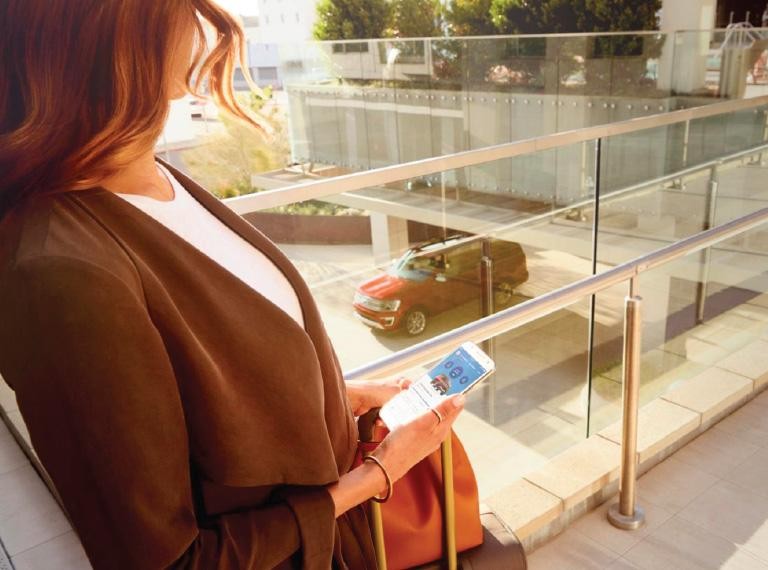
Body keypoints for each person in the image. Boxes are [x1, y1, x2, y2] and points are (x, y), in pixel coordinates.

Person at [0, 2, 464, 568]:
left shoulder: (157, 177)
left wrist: (344, 398)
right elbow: (173, 560)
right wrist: (380, 472)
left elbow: (209, 415)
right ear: (112, 34)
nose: (204, 24)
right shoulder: (61, 275)